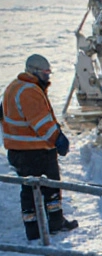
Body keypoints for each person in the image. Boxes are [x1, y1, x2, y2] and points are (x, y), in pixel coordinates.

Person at [3, 54, 77, 240]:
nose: (48, 77)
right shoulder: (30, 92)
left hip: (18, 151)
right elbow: (42, 123)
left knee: (28, 190)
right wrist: (58, 139)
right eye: (45, 73)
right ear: (34, 72)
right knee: (50, 188)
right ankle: (54, 222)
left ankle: (33, 227)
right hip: (35, 151)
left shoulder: (14, 87)